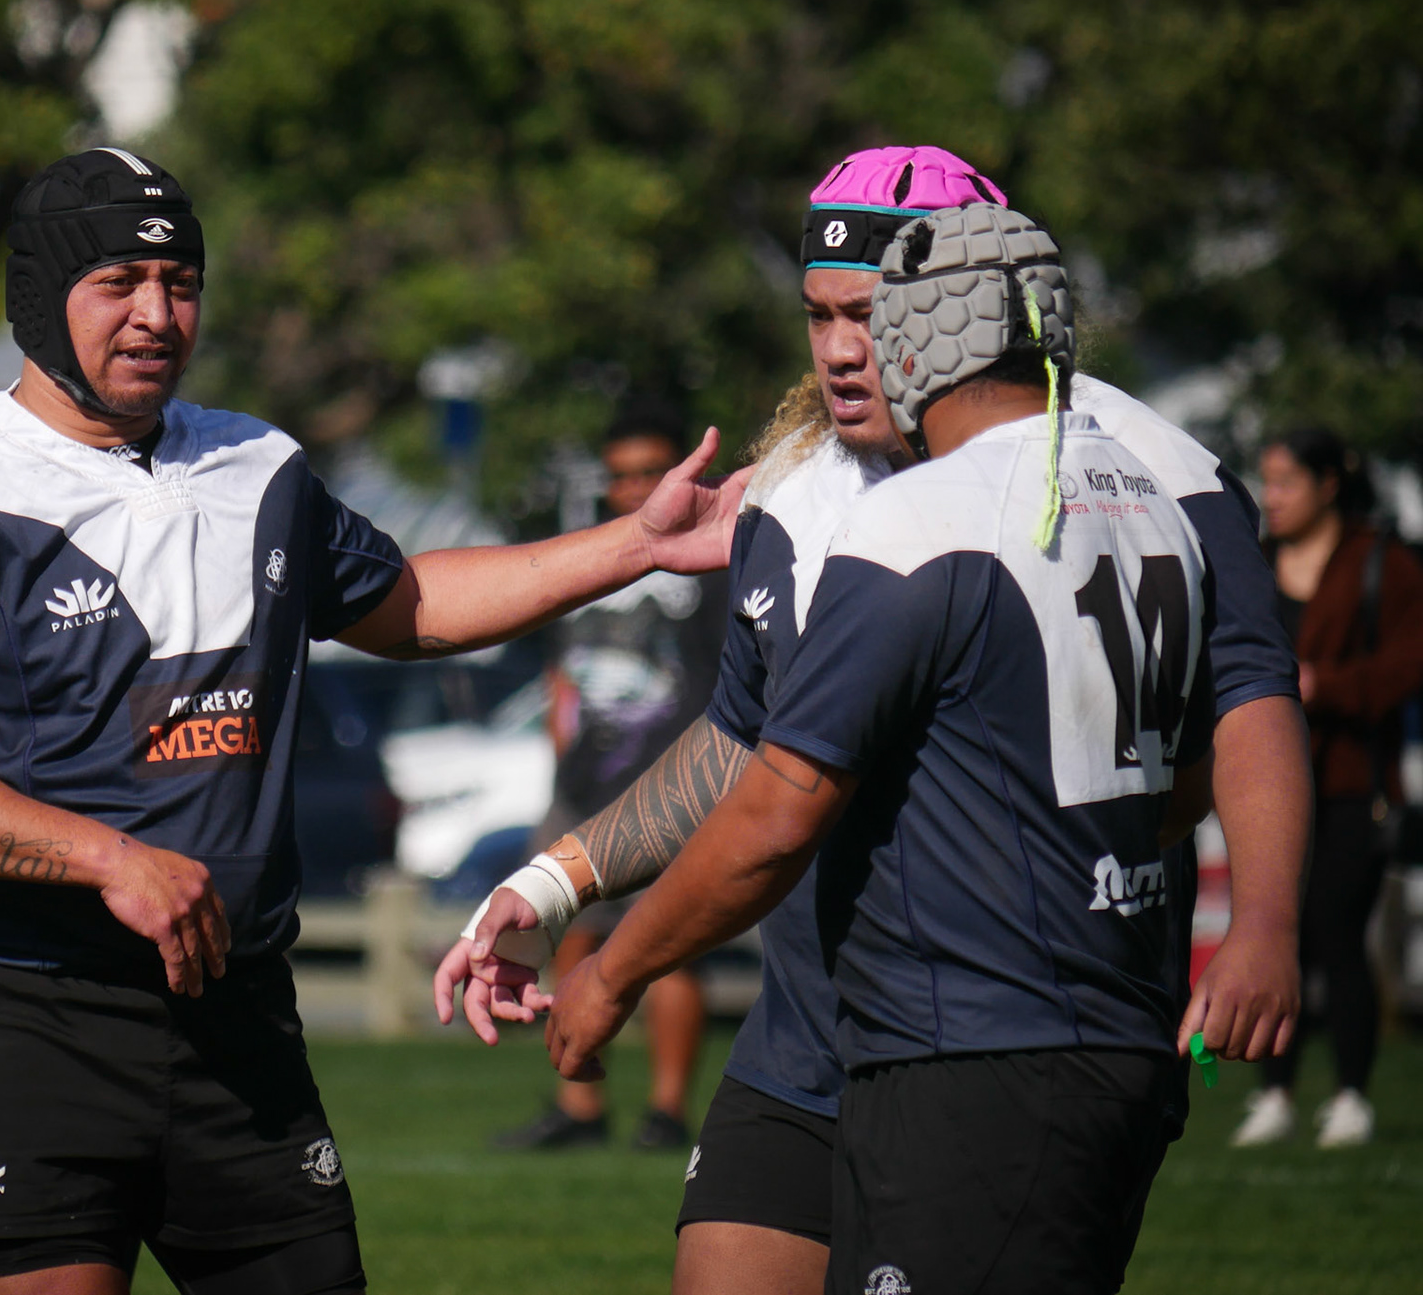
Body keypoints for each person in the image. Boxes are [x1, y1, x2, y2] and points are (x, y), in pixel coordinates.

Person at [0, 148, 748, 1295]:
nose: (157, 315)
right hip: (30, 1011)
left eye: (181, 283)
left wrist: (639, 545)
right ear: (40, 297)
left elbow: (413, 605)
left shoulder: (258, 465)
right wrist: (110, 860)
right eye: (119, 283)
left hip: (238, 1010)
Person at [437, 147, 1308, 1295]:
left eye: (871, 312)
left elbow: (1249, 701)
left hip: (1011, 1028)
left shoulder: (1162, 471)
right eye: (820, 315)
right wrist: (555, 882)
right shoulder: (791, 490)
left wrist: (1265, 919)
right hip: (813, 1034)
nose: (845, 349)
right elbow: (740, 741)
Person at [495, 404, 725, 1151]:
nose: (633, 488)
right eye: (621, 474)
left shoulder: (710, 559)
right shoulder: (592, 555)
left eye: (649, 471)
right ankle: (580, 1106)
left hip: (671, 785)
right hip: (583, 784)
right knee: (563, 931)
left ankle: (667, 1111)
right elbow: (562, 672)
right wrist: (560, 755)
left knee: (669, 947)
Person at [1231, 426, 1423, 1148]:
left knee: (1338, 933)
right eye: (1268, 481)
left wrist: (1327, 686)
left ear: (1328, 485)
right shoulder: (1254, 559)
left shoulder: (1381, 562)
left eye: (1286, 482)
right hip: (1271, 784)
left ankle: (1350, 1095)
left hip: (1350, 785)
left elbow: (1409, 661)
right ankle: (1274, 1093)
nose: (1272, 496)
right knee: (1274, 930)